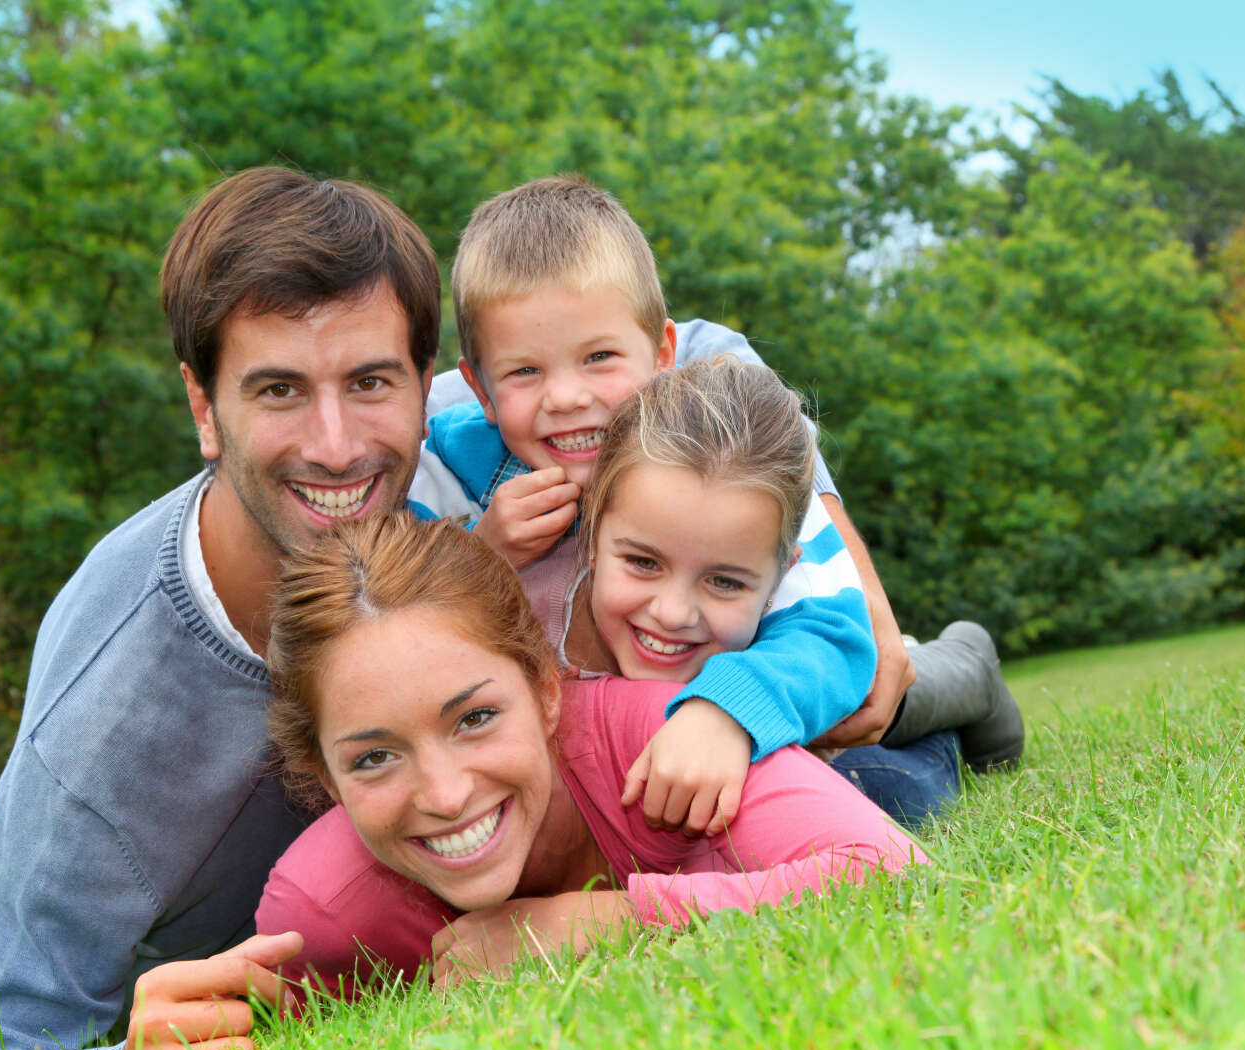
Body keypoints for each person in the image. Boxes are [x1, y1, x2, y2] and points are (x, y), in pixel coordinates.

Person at [0, 167, 441, 1050]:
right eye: (279, 391)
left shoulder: (466, 482)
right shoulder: (108, 715)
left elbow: (677, 372)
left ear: (425, 384)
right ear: (205, 408)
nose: (337, 444)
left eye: (370, 380)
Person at [408, 177, 1021, 828]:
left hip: (763, 725)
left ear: (663, 354)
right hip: (603, 769)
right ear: (477, 387)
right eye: (525, 372)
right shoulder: (451, 485)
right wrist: (480, 558)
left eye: (600, 358)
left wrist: (730, 709)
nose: (565, 396)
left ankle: (963, 686)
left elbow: (833, 626)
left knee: (881, 782)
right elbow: (395, 630)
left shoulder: (720, 456)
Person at [254, 514, 927, 1000]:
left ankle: (965, 671)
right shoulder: (321, 908)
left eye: (477, 719)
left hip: (847, 751)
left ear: (548, 692)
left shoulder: (665, 740)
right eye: (374, 759)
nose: (446, 795)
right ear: (326, 781)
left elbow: (899, 875)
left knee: (904, 765)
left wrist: (618, 920)